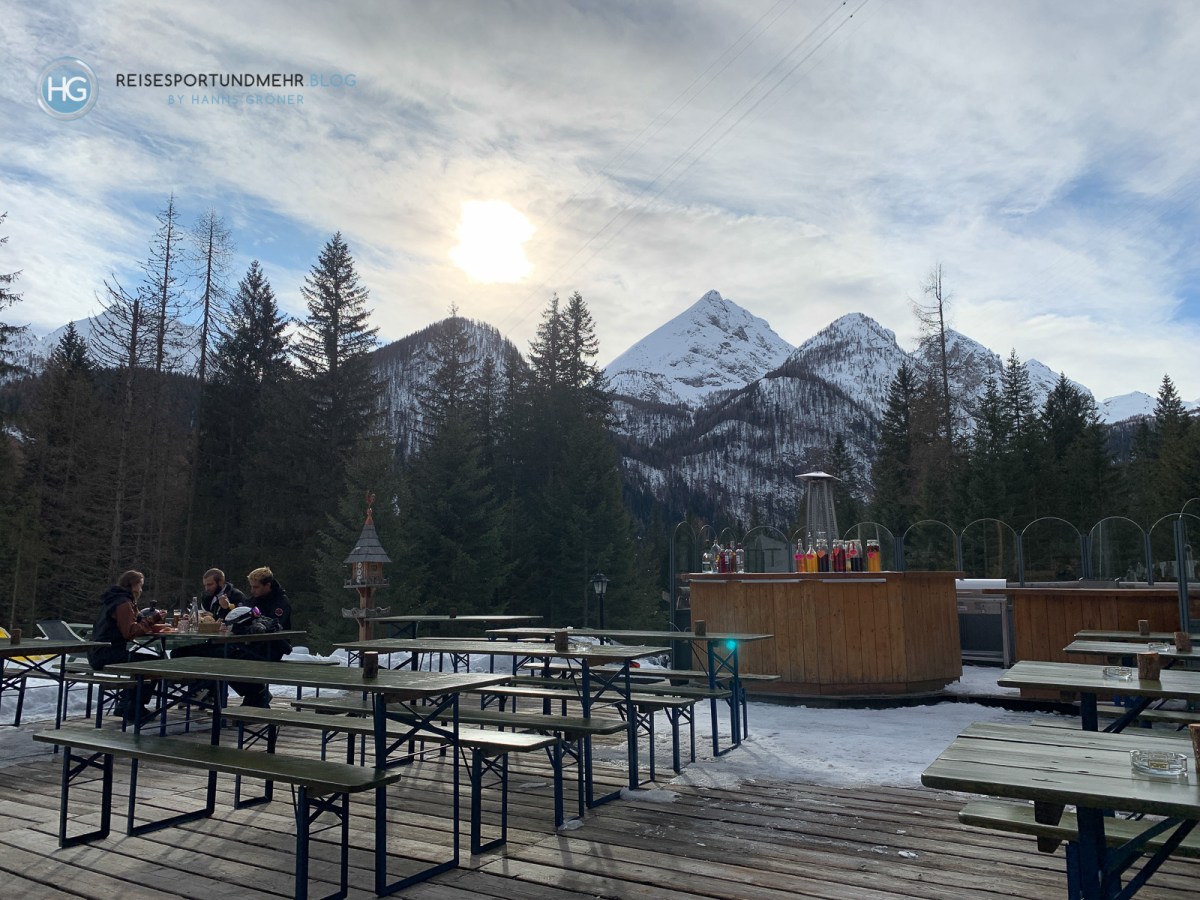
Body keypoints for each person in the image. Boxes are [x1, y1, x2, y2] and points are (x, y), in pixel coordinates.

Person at [87, 570, 164, 725]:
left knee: (147, 661)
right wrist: (153, 619)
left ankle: (128, 704)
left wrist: (146, 621)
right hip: (108, 654)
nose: (141, 590)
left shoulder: (112, 599)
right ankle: (133, 707)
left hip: (98, 652)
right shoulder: (123, 602)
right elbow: (130, 632)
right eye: (140, 586)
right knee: (157, 664)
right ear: (133, 585)